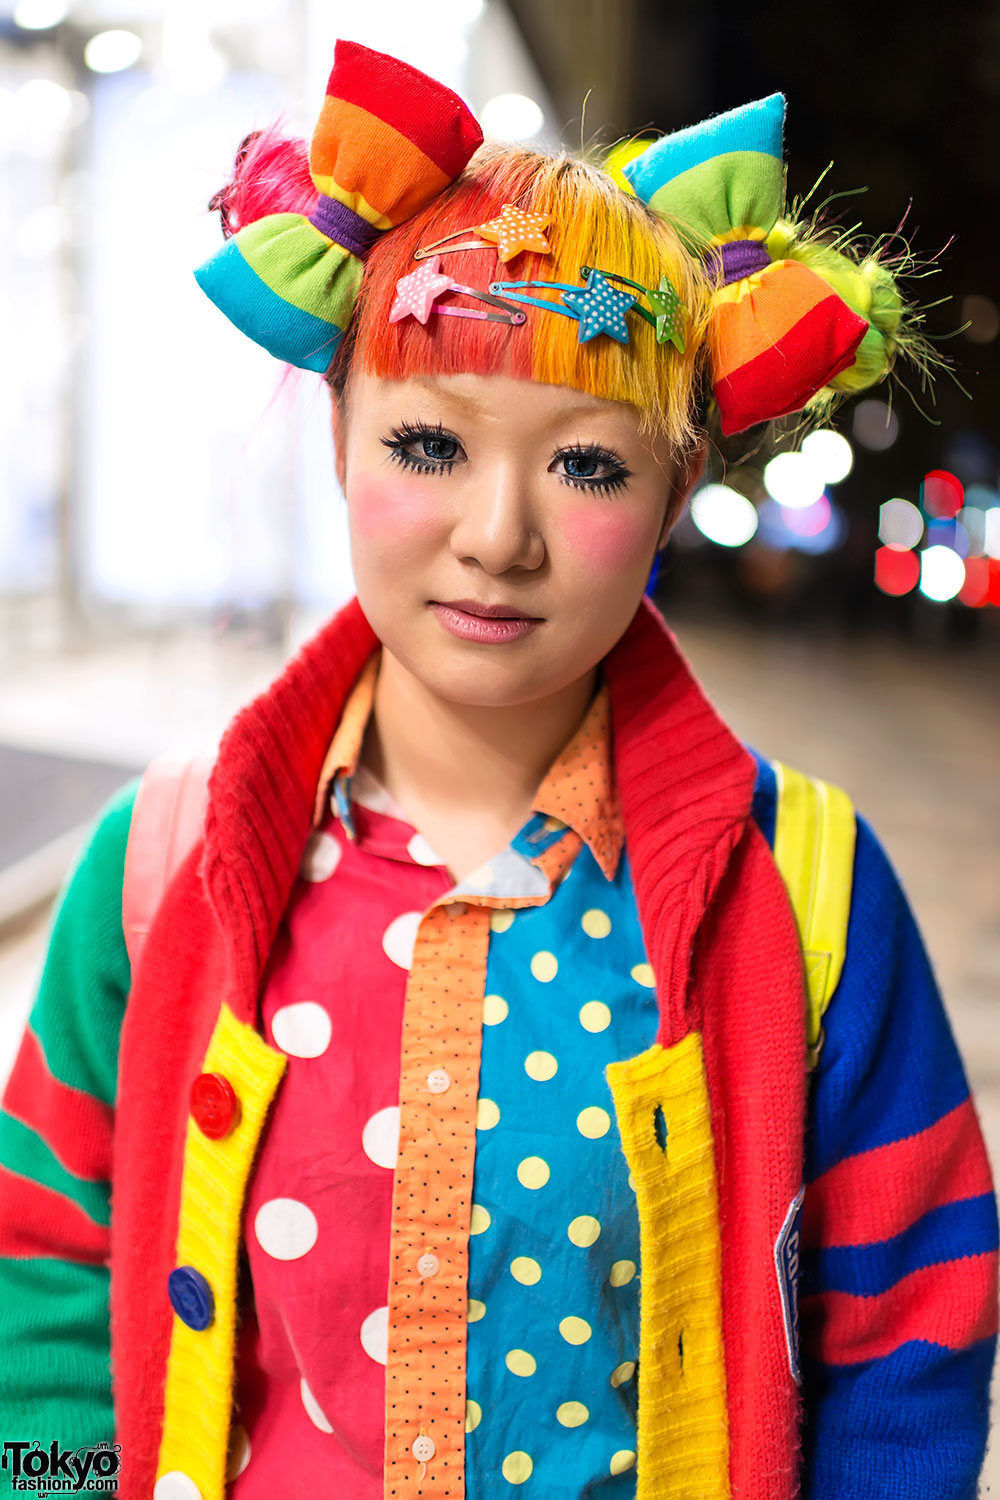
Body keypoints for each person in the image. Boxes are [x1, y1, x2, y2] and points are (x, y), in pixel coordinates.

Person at [0, 39, 996, 1500]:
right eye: (426, 443)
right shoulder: (163, 870)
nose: (496, 535)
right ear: (338, 440)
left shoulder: (808, 893)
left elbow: (910, 1321)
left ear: (672, 499)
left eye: (589, 465)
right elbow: (45, 1261)